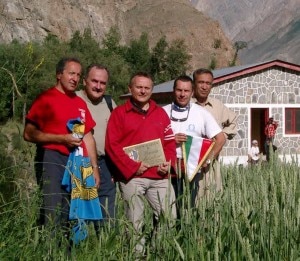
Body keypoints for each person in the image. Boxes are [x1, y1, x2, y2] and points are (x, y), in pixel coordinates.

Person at [23, 57, 100, 236]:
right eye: (71, 73)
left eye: (79, 75)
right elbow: (28, 133)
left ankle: (69, 252)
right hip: (53, 157)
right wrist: (61, 139)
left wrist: (94, 168)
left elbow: (87, 136)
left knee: (74, 210)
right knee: (53, 208)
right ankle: (51, 250)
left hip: (79, 163)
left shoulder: (80, 103)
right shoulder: (46, 98)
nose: (75, 78)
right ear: (59, 74)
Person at [105, 72, 177, 254]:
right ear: (130, 89)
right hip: (132, 177)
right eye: (139, 87)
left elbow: (169, 142)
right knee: (135, 221)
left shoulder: (160, 113)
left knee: (169, 216)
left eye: (146, 88)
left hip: (159, 176)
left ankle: (158, 251)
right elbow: (112, 146)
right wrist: (133, 167)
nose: (142, 91)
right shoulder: (119, 114)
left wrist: (168, 163)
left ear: (152, 90)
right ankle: (137, 255)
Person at [163, 75, 225, 211]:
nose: (182, 94)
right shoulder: (162, 112)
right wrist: (170, 140)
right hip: (166, 168)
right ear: (173, 91)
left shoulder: (201, 113)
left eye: (186, 91)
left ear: (192, 92)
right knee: (166, 210)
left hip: (190, 167)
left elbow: (220, 138)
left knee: (188, 209)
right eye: (179, 90)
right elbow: (152, 139)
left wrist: (207, 160)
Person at [77, 64, 116, 227]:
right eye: (94, 81)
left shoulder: (109, 103)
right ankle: (80, 248)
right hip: (79, 163)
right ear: (85, 81)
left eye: (103, 83)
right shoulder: (74, 99)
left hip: (105, 164)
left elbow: (118, 134)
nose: (98, 86)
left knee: (107, 213)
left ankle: (106, 247)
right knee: (79, 212)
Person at [193, 68, 237, 197]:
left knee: (213, 199)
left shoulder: (217, 105)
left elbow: (233, 121)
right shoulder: (186, 104)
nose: (205, 86)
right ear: (194, 83)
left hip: (212, 162)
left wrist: (222, 136)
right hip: (190, 162)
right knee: (191, 201)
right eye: (201, 82)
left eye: (208, 83)